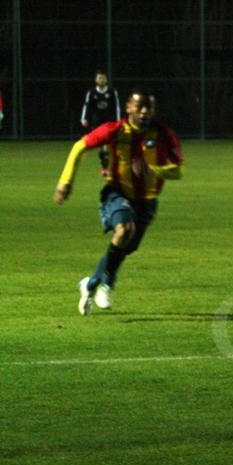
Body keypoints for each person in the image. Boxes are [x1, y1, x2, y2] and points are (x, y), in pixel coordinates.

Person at [55, 91, 184, 315]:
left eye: (149, 107)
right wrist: (66, 181)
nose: (144, 112)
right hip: (117, 193)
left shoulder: (163, 133)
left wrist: (153, 170)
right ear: (128, 107)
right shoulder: (115, 130)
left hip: (147, 201)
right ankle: (105, 284)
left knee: (126, 247)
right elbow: (79, 146)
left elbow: (178, 171)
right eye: (140, 106)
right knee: (124, 229)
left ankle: (90, 284)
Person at [80, 70, 121, 174]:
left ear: (106, 80)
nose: (101, 80)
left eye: (103, 78)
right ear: (96, 80)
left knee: (106, 146)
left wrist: (118, 120)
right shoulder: (91, 92)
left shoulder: (112, 92)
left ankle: (106, 168)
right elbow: (86, 106)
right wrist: (84, 118)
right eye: (99, 78)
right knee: (102, 147)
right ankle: (105, 167)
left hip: (109, 123)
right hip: (96, 123)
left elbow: (117, 107)